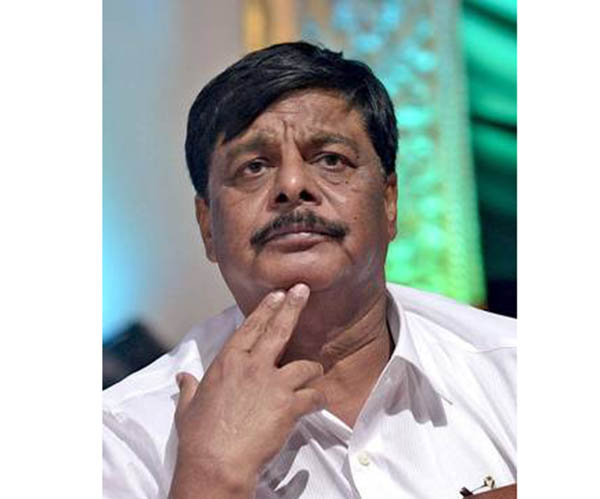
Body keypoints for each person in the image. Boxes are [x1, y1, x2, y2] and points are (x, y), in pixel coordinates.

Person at [103, 41, 516, 499]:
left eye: (331, 160)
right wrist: (209, 478)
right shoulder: (121, 439)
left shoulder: (513, 369)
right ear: (207, 227)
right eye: (253, 167)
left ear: (389, 201)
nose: (293, 185)